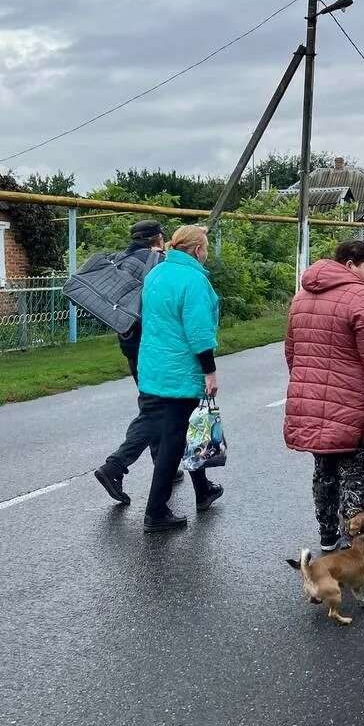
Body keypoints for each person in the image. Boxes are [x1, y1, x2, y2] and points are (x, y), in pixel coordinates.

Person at [284, 240, 364, 552]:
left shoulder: (302, 296)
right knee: (355, 477)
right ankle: (352, 546)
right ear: (350, 264)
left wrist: (310, 389)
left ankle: (327, 538)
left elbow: (293, 352)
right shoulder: (362, 299)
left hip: (313, 404)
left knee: (324, 472)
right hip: (356, 407)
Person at [135, 224, 224, 533]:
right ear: (197, 250)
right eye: (206, 248)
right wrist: (209, 370)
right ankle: (155, 510)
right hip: (181, 368)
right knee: (175, 437)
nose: (207, 254)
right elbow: (199, 332)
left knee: (188, 430)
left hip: (155, 366)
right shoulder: (194, 280)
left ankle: (203, 490)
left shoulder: (156, 274)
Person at [93, 221, 183, 505]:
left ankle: (163, 461)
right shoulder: (157, 262)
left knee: (151, 404)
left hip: (128, 342)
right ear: (157, 238)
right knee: (156, 410)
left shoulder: (120, 262)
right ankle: (115, 466)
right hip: (153, 346)